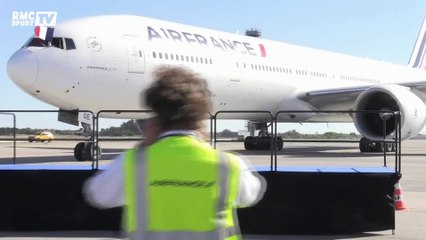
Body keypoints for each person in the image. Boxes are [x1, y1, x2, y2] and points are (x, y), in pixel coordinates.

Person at [83, 66, 266, 240]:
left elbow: (98, 194)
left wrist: (145, 147)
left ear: (156, 117)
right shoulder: (228, 165)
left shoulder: (134, 163)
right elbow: (251, 195)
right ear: (201, 118)